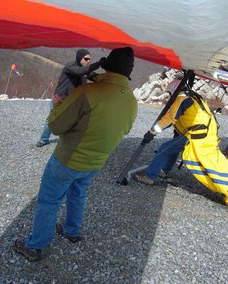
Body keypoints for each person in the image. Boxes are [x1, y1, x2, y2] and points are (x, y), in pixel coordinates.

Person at [15, 47, 137, 261]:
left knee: (49, 201)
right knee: (77, 194)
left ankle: (36, 247)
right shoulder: (132, 102)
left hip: (68, 160)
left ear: (107, 67)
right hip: (95, 163)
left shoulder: (88, 92)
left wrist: (56, 107)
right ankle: (71, 231)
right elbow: (123, 130)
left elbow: (56, 126)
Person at [135, 80, 228, 206]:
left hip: (196, 135)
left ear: (174, 91)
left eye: (170, 93)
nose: (169, 96)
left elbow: (169, 119)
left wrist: (151, 132)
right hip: (206, 133)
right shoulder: (193, 96)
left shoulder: (182, 99)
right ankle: (163, 169)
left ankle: (149, 177)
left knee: (166, 149)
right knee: (208, 159)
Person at [36, 49, 104, 147]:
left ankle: (66, 142)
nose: (88, 61)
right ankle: (43, 140)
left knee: (72, 121)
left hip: (72, 101)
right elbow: (79, 71)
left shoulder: (85, 70)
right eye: (86, 59)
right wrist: (98, 64)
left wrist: (109, 75)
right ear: (80, 57)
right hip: (60, 98)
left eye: (89, 59)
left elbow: (94, 76)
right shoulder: (70, 66)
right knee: (51, 120)